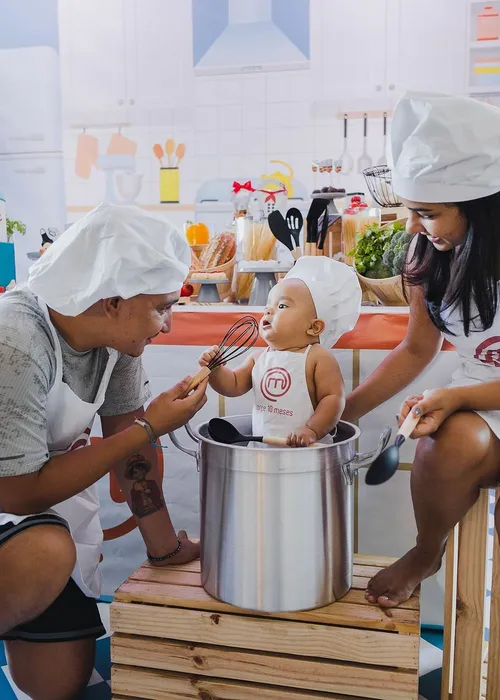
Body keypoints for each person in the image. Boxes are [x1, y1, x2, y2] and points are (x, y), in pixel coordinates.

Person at [0, 202, 208, 699]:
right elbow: (17, 492)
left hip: (46, 513)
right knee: (47, 552)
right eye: (162, 307)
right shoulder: (17, 341)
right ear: (113, 300)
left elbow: (129, 454)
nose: (167, 326)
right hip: (17, 509)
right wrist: (148, 426)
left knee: (59, 685)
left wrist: (165, 549)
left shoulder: (117, 343)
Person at [342, 91, 500, 608]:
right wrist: (344, 412)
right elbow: (416, 349)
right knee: (444, 445)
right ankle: (426, 551)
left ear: (480, 207)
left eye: (426, 213)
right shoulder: (428, 255)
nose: (412, 227)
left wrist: (456, 398)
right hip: (481, 391)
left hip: (479, 393)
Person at [200, 256, 361, 446]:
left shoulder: (317, 358)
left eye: (282, 305)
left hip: (305, 454)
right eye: (268, 305)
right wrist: (216, 370)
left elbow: (333, 399)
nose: (268, 311)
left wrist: (312, 429)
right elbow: (233, 385)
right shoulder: (259, 357)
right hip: (262, 453)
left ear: (315, 327)